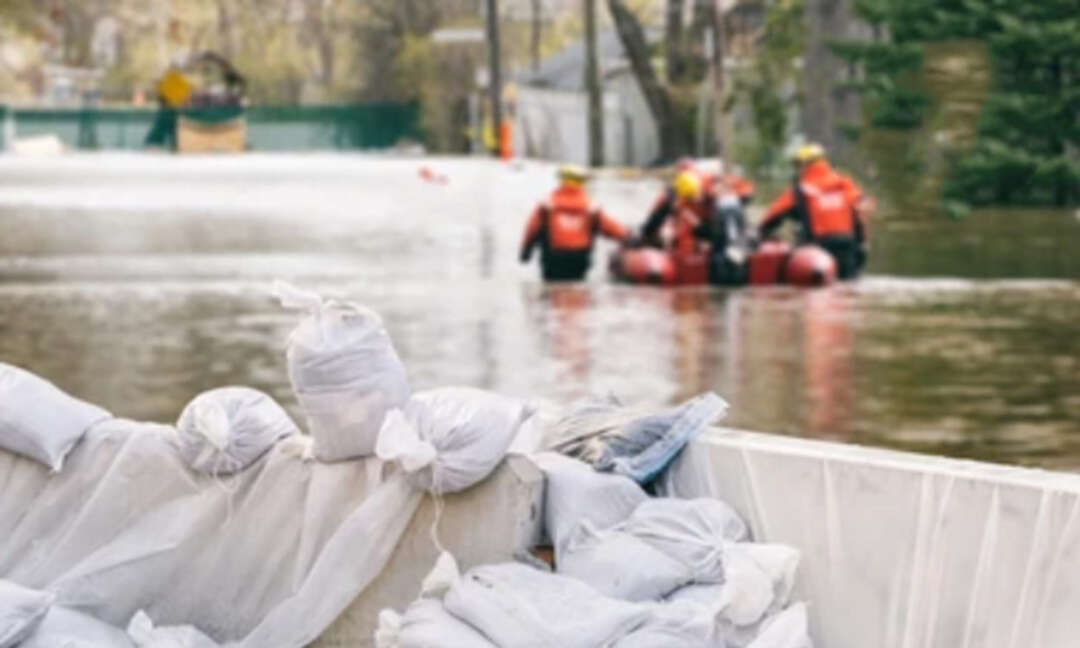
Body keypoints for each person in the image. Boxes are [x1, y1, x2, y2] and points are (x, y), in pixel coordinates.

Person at [758, 143, 871, 279]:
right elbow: (861, 215)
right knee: (848, 286)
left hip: (816, 251)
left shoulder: (800, 190)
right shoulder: (845, 185)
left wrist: (762, 233)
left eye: (798, 166)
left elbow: (771, 217)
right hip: (848, 247)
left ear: (805, 165)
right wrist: (862, 244)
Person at [520, 164, 630, 281]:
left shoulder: (547, 205)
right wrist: (628, 237)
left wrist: (526, 251)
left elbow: (532, 229)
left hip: (552, 259)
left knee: (551, 289)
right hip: (579, 259)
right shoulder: (590, 207)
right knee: (576, 288)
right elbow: (609, 226)